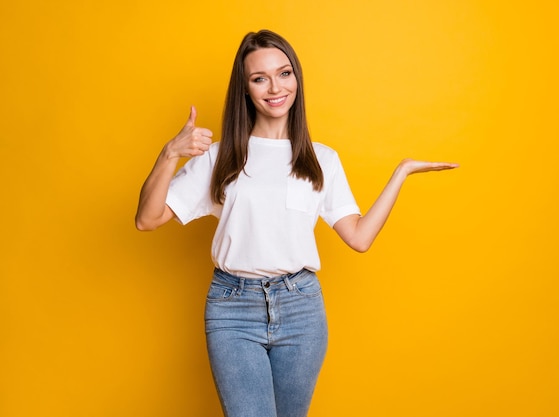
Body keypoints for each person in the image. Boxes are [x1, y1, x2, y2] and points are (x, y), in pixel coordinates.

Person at [135, 29, 458, 417]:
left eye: (284, 73)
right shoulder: (220, 157)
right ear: (246, 90)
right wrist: (170, 153)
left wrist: (401, 173)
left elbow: (359, 237)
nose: (275, 87)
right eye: (260, 78)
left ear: (297, 79)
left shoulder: (321, 159)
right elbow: (148, 218)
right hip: (233, 308)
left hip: (301, 307)